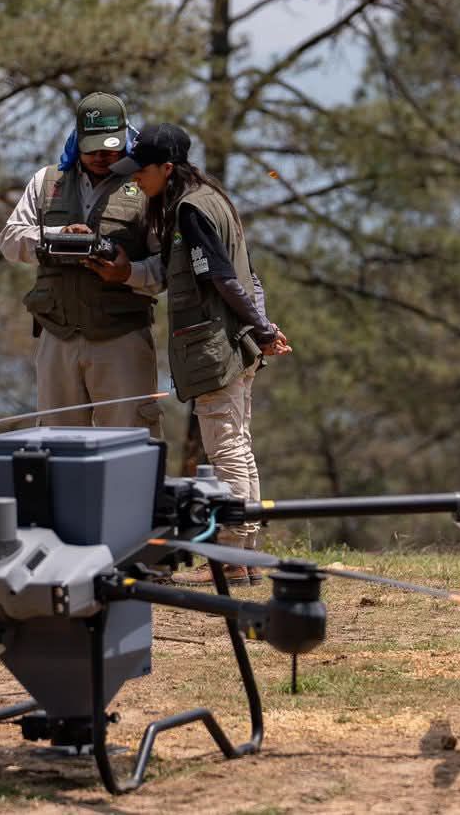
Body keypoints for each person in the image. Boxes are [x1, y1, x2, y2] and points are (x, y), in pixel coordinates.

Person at [113, 123, 292, 585]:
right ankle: (245, 551)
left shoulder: (190, 210)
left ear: (166, 168)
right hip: (237, 342)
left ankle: (232, 554)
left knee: (226, 447)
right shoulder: (214, 198)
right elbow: (248, 275)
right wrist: (263, 330)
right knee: (239, 442)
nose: (135, 180)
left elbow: (224, 280)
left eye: (142, 172)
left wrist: (262, 327)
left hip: (216, 347)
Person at [0, 92, 163, 432]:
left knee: (131, 442)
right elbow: (10, 241)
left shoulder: (145, 186)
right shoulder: (46, 182)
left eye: (112, 146)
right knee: (57, 446)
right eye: (94, 148)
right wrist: (57, 236)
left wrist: (129, 272)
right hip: (57, 336)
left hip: (122, 338)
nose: (103, 156)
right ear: (78, 139)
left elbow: (168, 267)